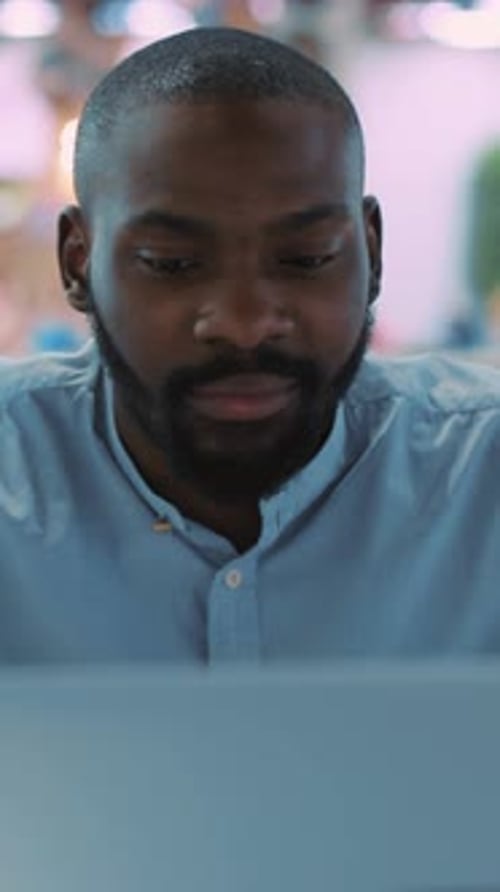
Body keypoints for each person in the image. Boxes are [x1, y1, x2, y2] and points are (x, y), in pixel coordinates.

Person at [0, 27, 499, 664]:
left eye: (306, 258)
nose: (243, 323)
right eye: (172, 264)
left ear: (371, 254)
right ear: (78, 262)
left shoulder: (483, 479)